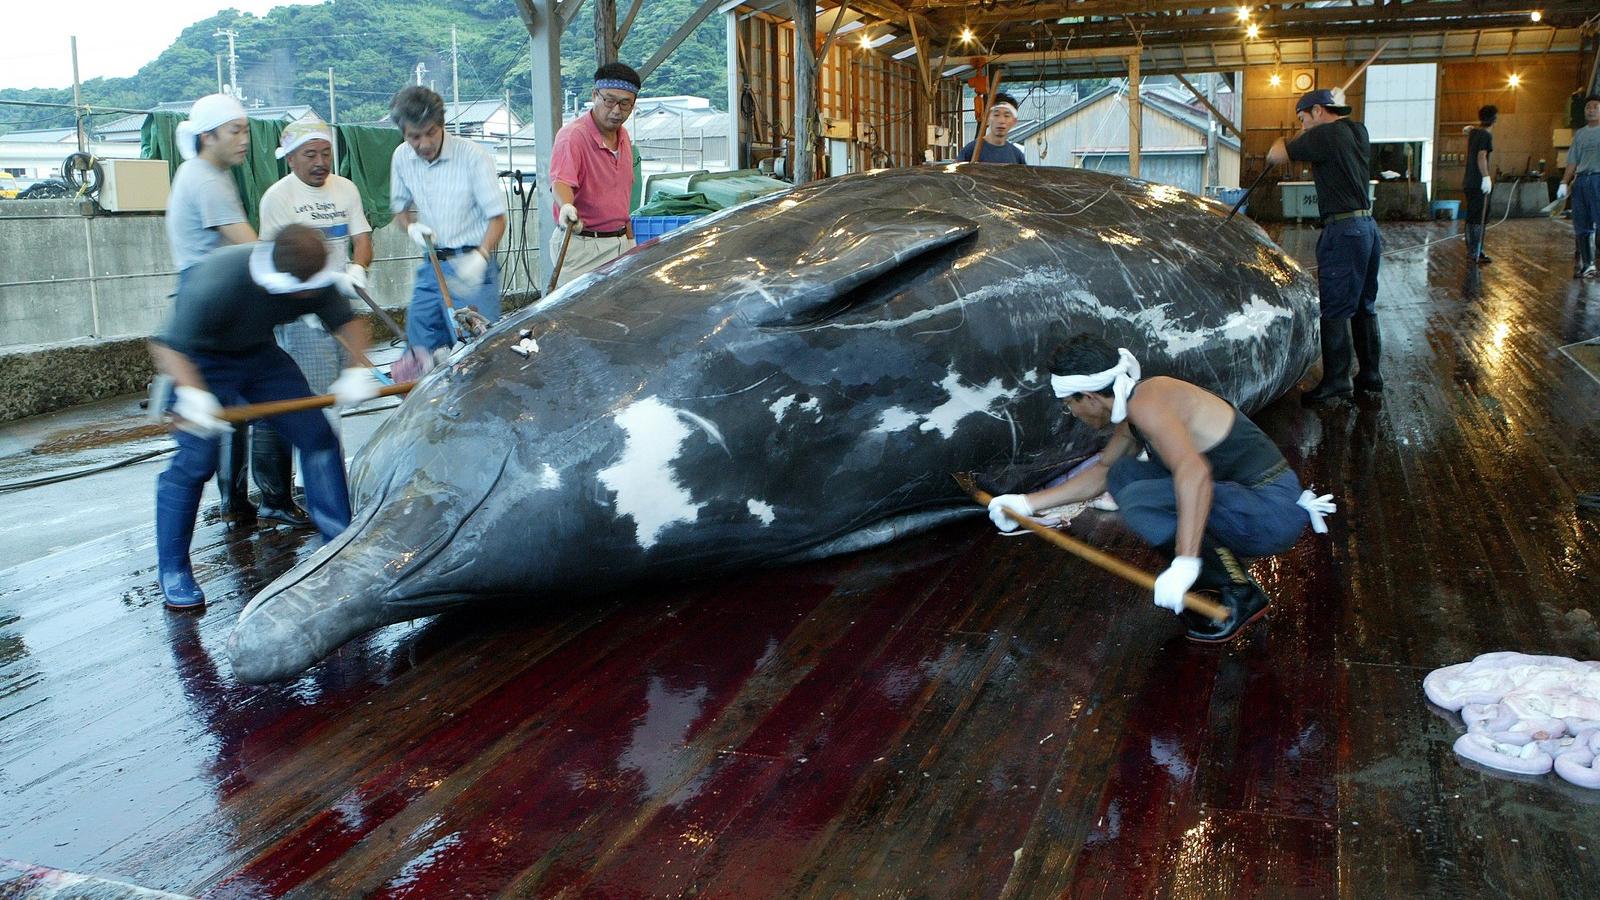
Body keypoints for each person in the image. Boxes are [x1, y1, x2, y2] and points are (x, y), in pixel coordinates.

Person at [985, 335, 1334, 643]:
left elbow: (1193, 472)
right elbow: (1104, 472)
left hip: (1272, 512)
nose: (1072, 413)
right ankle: (1217, 577)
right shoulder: (1137, 404)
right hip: (1248, 501)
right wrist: (1025, 504)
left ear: (1089, 397)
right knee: (1122, 474)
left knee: (1141, 499)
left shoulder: (1148, 403)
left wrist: (1183, 562)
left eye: (1070, 405)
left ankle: (1239, 593)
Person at [148, 225, 379, 609]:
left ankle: (339, 545)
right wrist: (191, 397)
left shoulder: (312, 276)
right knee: (195, 460)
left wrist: (357, 368)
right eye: (302, 291)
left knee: (316, 435)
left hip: (258, 356)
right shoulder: (219, 279)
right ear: (282, 278)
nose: (309, 297)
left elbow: (348, 322)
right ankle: (173, 569)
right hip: (198, 362)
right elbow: (167, 347)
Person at [165, 92, 287, 530]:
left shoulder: (198, 172)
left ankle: (236, 502)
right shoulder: (207, 181)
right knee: (267, 403)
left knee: (228, 413)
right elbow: (253, 248)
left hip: (209, 302)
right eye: (235, 131)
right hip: (213, 307)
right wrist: (309, 279)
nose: (244, 140)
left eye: (246, 131)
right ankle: (268, 500)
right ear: (207, 135)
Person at [255, 115, 375, 525]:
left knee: (338, 396)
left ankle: (329, 487)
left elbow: (362, 238)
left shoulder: (346, 189)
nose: (320, 161)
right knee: (319, 403)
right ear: (290, 158)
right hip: (302, 311)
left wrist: (358, 269)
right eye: (310, 154)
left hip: (339, 300)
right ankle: (324, 490)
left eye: (325, 153)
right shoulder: (277, 197)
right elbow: (273, 261)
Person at [1267, 87, 1381, 406]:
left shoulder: (1323, 136)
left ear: (1319, 111)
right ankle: (1370, 376)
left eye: (1303, 118)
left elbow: (1277, 153)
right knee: (1363, 306)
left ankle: (1336, 381)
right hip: (1368, 229)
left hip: (1343, 231)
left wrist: (1288, 138)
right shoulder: (1358, 131)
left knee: (1334, 308)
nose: (1303, 126)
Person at [388, 85, 507, 355]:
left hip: (473, 266)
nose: (425, 144)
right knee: (419, 349)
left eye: (430, 132)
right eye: (414, 137)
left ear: (441, 124)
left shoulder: (473, 157)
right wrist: (411, 227)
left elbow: (498, 219)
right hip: (431, 266)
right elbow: (399, 209)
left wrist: (481, 256)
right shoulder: (401, 157)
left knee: (479, 350)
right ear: (404, 134)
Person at [548, 62, 643, 288]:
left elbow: (622, 198)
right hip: (582, 246)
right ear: (594, 95)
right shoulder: (572, 136)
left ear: (633, 104)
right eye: (609, 100)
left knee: (619, 315)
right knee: (579, 319)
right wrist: (566, 207)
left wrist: (630, 241)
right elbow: (560, 182)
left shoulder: (624, 137)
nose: (616, 110)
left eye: (625, 103)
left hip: (620, 242)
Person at [1558, 94, 1600, 279]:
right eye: (1588, 107)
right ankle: (1588, 264)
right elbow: (1572, 161)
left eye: (1595, 107)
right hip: (1582, 180)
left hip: (1599, 178)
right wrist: (1563, 182)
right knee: (1581, 224)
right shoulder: (1580, 134)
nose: (1590, 110)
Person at [1463, 105, 1497, 265]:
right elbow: (1481, 156)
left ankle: (1471, 250)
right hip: (1477, 183)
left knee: (1470, 218)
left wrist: (1470, 128)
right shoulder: (1485, 136)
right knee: (1479, 219)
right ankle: (1477, 252)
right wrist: (1486, 177)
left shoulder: (1474, 133)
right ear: (1494, 119)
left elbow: (1469, 130)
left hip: (1468, 182)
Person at [957, 92, 1027, 164]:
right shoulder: (970, 151)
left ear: (1014, 121)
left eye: (1006, 116)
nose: (1001, 120)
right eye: (996, 115)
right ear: (987, 119)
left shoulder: (1017, 156)